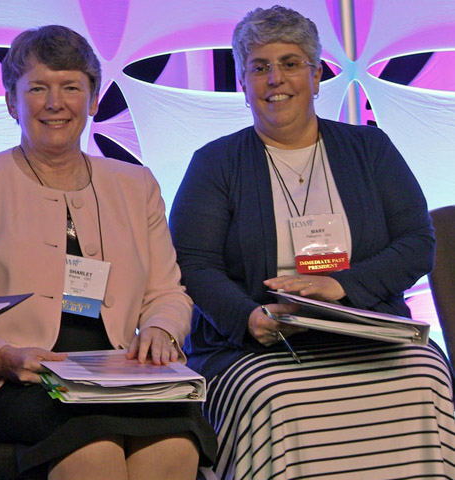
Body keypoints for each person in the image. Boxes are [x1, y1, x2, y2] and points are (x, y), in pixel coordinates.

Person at [169, 5, 455, 479]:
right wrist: (250, 319)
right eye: (259, 67)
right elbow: (194, 265)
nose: (274, 79)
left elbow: (417, 242)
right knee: (273, 398)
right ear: (243, 84)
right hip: (258, 346)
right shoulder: (215, 163)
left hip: (369, 333)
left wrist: (341, 286)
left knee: (426, 377)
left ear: (317, 75)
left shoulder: (370, 149)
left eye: (290, 63)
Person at [0, 25, 216, 480]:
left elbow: (168, 292)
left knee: (176, 448)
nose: (55, 103)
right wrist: (5, 356)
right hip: (13, 382)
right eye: (38, 88)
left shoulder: (134, 184)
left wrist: (162, 329)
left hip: (121, 376)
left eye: (70, 88)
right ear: (11, 101)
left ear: (94, 99)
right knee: (93, 453)